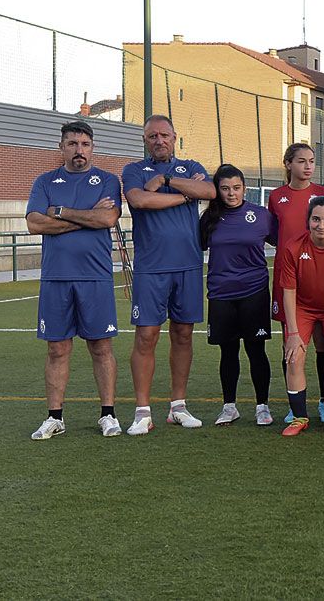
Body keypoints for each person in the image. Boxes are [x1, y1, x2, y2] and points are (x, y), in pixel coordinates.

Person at [26, 121, 123, 439]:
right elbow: (35, 224)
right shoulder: (44, 181)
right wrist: (85, 217)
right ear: (61, 147)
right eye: (72, 143)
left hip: (95, 278)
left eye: (84, 144)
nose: (78, 150)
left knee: (101, 346)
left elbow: (107, 218)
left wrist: (61, 211)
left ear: (92, 147)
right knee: (57, 349)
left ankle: (107, 415)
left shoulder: (108, 180)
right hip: (55, 278)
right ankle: (55, 417)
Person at [121, 115, 215, 435]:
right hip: (151, 268)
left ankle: (178, 407)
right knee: (146, 336)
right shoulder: (134, 170)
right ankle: (142, 412)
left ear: (175, 137)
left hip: (188, 265)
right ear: (145, 141)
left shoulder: (189, 165)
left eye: (164, 135)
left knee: (183, 334)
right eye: (152, 137)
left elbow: (209, 191)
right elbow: (140, 199)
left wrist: (168, 182)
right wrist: (185, 195)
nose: (159, 140)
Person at [199, 164, 275, 427]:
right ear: (217, 190)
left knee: (256, 350)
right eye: (225, 188)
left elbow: (285, 241)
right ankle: (229, 406)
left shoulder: (262, 215)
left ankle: (262, 407)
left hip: (254, 292)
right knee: (228, 352)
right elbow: (196, 245)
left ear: (245, 188)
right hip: (221, 293)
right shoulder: (209, 219)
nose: (231, 193)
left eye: (236, 188)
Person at [275, 197, 324, 436]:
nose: (322, 225)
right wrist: (293, 333)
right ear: (308, 220)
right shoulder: (293, 247)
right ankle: (299, 418)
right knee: (293, 357)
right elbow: (289, 292)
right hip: (302, 308)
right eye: (316, 219)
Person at [268, 143, 324, 423]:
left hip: (320, 276)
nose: (307, 166)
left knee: (323, 343)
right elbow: (273, 235)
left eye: (311, 161)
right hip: (289, 277)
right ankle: (295, 404)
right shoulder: (276, 197)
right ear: (288, 164)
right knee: (292, 344)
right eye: (301, 161)